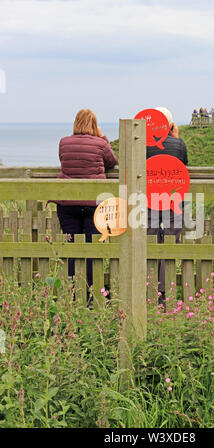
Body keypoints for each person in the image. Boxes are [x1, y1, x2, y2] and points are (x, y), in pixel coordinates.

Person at [54, 109, 118, 305]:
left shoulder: (64, 142)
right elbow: (112, 162)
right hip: (93, 204)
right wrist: (103, 137)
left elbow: (63, 162)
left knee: (72, 248)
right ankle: (92, 296)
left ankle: (72, 293)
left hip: (68, 203)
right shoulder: (100, 144)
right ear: (94, 125)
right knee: (92, 249)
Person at [147, 107, 188, 306]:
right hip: (173, 200)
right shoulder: (178, 144)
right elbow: (183, 166)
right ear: (170, 125)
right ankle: (163, 292)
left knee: (149, 241)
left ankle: (148, 289)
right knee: (169, 242)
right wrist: (176, 136)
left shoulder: (143, 145)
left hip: (147, 200)